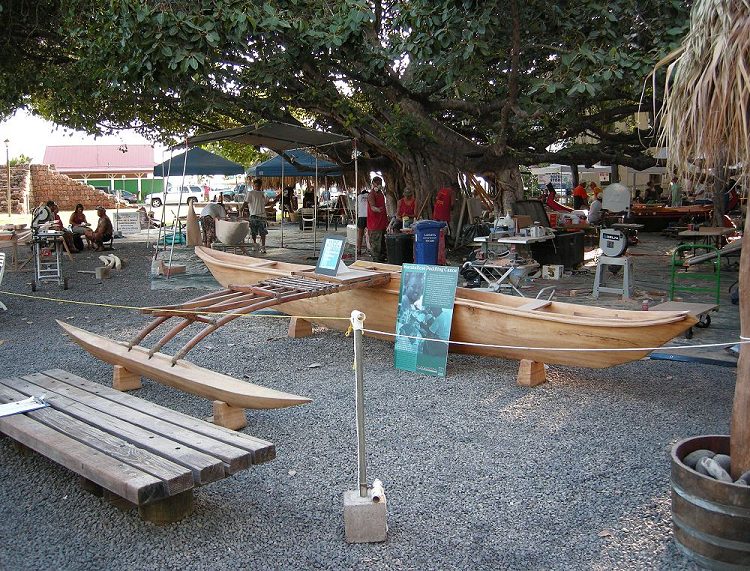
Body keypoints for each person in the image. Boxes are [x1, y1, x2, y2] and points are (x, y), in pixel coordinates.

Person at [366, 176, 388, 262]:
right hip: (374, 225)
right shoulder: (371, 194)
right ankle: (376, 262)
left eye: (380, 183)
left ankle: (382, 260)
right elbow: (372, 207)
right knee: (376, 248)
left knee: (383, 246)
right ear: (373, 184)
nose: (379, 185)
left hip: (382, 223)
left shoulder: (381, 193)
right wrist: (378, 209)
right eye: (378, 183)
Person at [245, 177, 268, 253]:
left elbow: (266, 203)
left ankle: (263, 246)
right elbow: (246, 202)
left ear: (260, 186)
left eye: (258, 185)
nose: (257, 186)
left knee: (262, 232)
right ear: (254, 185)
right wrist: (241, 208)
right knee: (254, 232)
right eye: (256, 185)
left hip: (262, 215)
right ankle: (255, 244)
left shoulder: (263, 194)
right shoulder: (250, 193)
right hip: (254, 215)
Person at [356, 186, 369, 256]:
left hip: (361, 217)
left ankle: (359, 250)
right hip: (369, 217)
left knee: (360, 235)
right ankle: (370, 249)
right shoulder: (370, 196)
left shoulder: (359, 197)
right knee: (370, 234)